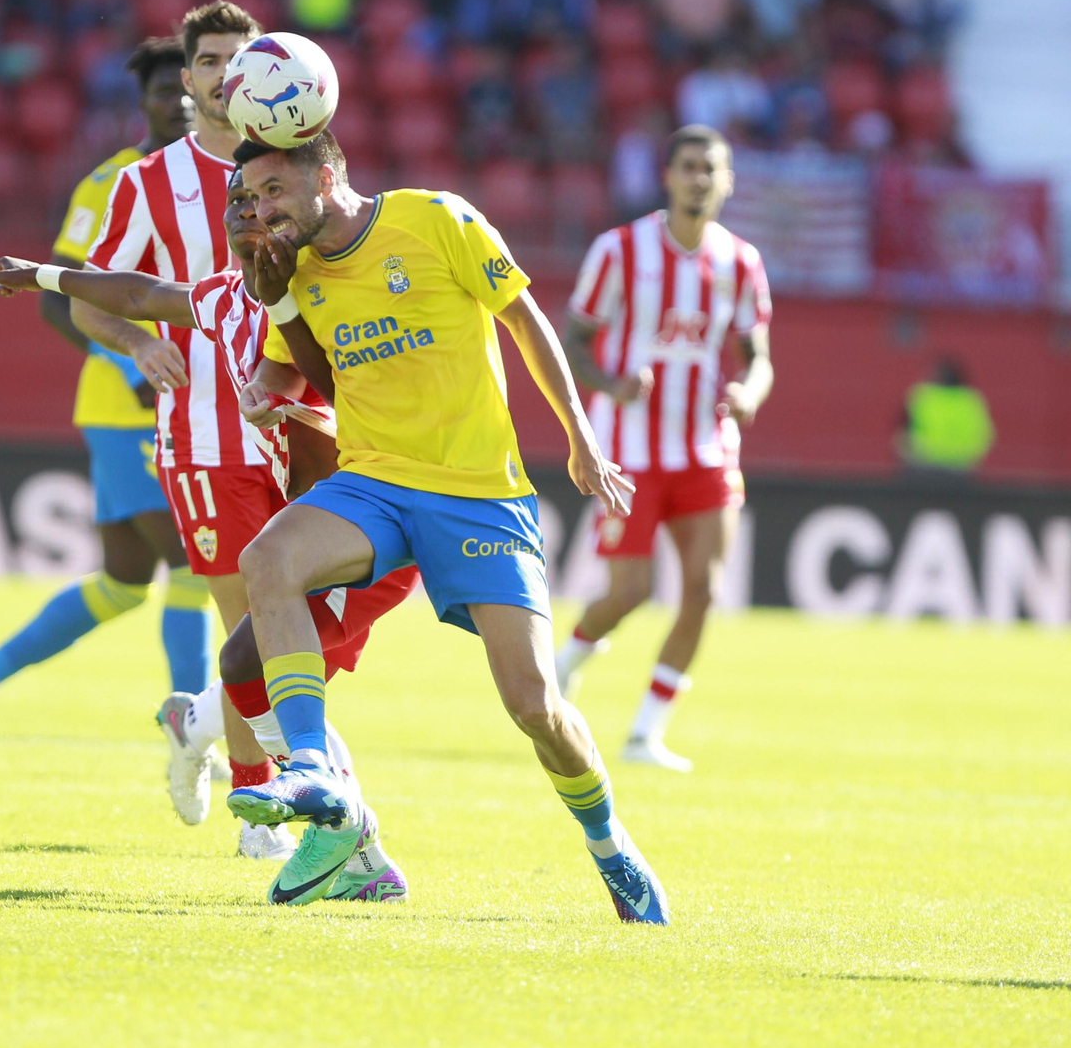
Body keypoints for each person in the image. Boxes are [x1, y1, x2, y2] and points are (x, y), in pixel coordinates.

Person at [227, 131, 670, 923]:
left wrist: (580, 438)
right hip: (374, 480)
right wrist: (264, 376)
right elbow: (297, 371)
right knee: (268, 561)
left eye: (273, 192)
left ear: (325, 176)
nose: (262, 211)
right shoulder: (295, 274)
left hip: (477, 493)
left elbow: (528, 323)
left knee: (534, 703)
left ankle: (610, 844)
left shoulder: (436, 219)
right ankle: (314, 768)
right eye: (253, 199)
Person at [0, 169, 420, 903]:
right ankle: (351, 842)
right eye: (237, 206)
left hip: (373, 517)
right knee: (266, 665)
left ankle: (201, 721)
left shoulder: (335, 286)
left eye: (264, 204)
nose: (251, 216)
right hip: (300, 515)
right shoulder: (219, 294)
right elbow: (137, 295)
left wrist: (297, 408)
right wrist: (44, 276)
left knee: (275, 669)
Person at [0, 38, 209, 766]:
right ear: (142, 102)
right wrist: (130, 364)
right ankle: (197, 733)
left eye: (186, 96)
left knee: (123, 584)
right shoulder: (112, 182)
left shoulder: (214, 174)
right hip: (128, 409)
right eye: (160, 97)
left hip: (178, 402)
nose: (175, 109)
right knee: (194, 565)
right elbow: (65, 297)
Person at [72, 0, 304, 860]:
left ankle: (194, 719)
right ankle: (259, 809)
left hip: (298, 430)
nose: (219, 78)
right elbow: (96, 291)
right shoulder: (145, 183)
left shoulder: (294, 169)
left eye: (235, 62)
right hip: (206, 438)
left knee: (304, 620)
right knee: (254, 618)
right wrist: (138, 343)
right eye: (206, 62)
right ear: (191, 78)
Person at [555, 125, 774, 774]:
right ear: (668, 175)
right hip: (629, 448)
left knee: (702, 591)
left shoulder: (741, 261)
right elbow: (573, 343)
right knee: (630, 590)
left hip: (707, 446)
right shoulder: (620, 251)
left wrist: (751, 392)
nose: (700, 179)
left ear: (728, 180)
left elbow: (758, 356)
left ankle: (646, 731)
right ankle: (567, 662)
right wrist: (611, 383)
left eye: (712, 168)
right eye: (689, 167)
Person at [898, 357, 994, 473]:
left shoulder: (923, 396)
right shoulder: (971, 399)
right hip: (962, 465)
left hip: (924, 464)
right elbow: (986, 435)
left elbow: (904, 431)